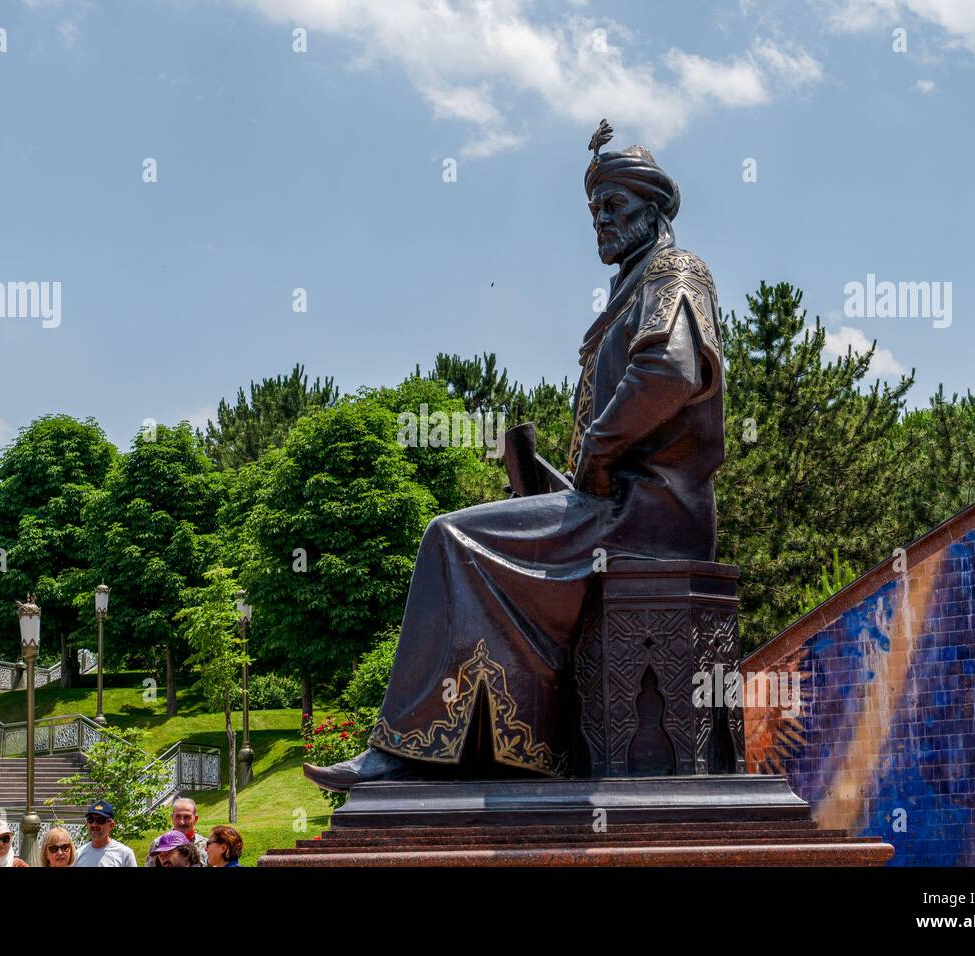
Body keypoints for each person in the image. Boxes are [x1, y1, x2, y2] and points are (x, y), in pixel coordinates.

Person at [304, 121, 725, 791]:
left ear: (654, 208)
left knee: (451, 539)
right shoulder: (631, 290)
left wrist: (597, 451)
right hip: (618, 508)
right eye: (593, 209)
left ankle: (410, 750)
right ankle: (491, 752)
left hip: (650, 514)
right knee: (480, 547)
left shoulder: (678, 270)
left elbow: (669, 372)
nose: (601, 220)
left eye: (614, 205)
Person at [146, 797, 208, 866]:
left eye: (187, 817)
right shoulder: (158, 844)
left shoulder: (206, 845)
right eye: (178, 816)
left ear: (195, 819)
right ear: (172, 818)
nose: (182, 822)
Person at [73, 801, 137, 867]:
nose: (94, 825)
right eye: (90, 819)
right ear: (86, 824)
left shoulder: (124, 854)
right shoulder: (78, 854)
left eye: (100, 820)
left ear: (111, 825)